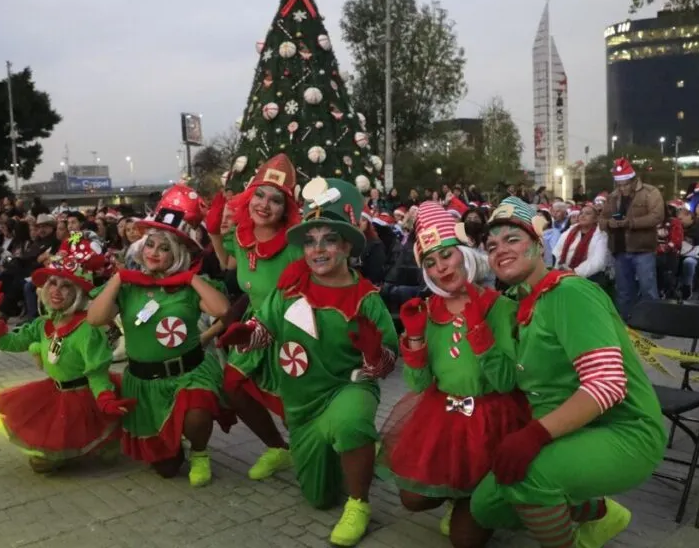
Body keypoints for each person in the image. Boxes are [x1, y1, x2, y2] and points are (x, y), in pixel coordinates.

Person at [468, 196, 666, 548]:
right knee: (484, 508)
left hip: (623, 431)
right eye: (492, 245)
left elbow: (607, 385)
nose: (500, 249)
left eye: (513, 239)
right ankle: (600, 512)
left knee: (527, 479)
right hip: (571, 430)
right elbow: (515, 379)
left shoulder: (569, 292)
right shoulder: (523, 303)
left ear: (539, 246)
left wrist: (534, 436)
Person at [218, 178, 397, 547]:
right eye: (311, 240)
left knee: (349, 423)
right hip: (301, 405)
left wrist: (375, 355)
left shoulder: (367, 299)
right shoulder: (290, 287)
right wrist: (246, 336)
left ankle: (360, 501)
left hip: (347, 387)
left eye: (329, 239)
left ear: (346, 245)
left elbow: (386, 367)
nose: (318, 250)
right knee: (318, 498)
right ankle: (353, 453)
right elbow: (264, 330)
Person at [380, 202, 530, 547]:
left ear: (464, 254)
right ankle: (461, 494)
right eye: (430, 263)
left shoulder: (500, 306)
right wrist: (415, 339)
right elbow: (418, 385)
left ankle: (475, 499)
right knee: (412, 499)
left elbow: (506, 381)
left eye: (446, 256)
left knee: (465, 541)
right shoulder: (428, 311)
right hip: (444, 415)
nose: (440, 268)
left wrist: (480, 332)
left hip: (492, 419)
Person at [88, 185, 231, 484]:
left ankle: (201, 452)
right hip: (144, 381)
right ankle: (173, 445)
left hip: (188, 372)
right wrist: (119, 277)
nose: (155, 253)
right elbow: (95, 318)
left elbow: (221, 311)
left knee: (197, 410)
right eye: (150, 245)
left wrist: (189, 278)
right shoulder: (128, 286)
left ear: (176, 254)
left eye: (164, 248)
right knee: (166, 469)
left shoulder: (190, 285)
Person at [0, 236, 128, 473]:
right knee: (43, 461)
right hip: (56, 391)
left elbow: (97, 372)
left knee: (83, 453)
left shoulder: (87, 329)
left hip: (85, 395)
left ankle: (106, 437)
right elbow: (11, 342)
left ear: (79, 292)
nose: (57, 291)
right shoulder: (44, 323)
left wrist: (105, 399)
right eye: (53, 284)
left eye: (66, 285)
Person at [205, 154, 303, 481]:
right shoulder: (242, 236)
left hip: (290, 332)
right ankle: (278, 448)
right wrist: (215, 233)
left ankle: (334, 450)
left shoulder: (295, 245)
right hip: (252, 330)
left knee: (295, 409)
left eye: (276, 200)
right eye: (259, 195)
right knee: (233, 386)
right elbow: (231, 269)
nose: (265, 204)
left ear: (286, 209)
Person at [599, 158, 663, 321]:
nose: (622, 188)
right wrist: (609, 223)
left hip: (642, 249)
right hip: (620, 248)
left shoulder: (650, 192)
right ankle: (626, 324)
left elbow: (657, 216)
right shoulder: (613, 197)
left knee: (648, 288)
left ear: (633, 181)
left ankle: (654, 322)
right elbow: (602, 220)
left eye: (625, 184)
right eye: (619, 185)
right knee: (623, 290)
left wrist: (631, 223)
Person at [552, 205, 610, 285]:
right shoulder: (570, 231)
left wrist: (575, 272)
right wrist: (557, 270)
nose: (583, 215)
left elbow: (598, 262)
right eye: (581, 213)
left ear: (595, 219)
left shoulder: (601, 235)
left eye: (588, 213)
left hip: (590, 277)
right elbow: (557, 251)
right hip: (565, 273)